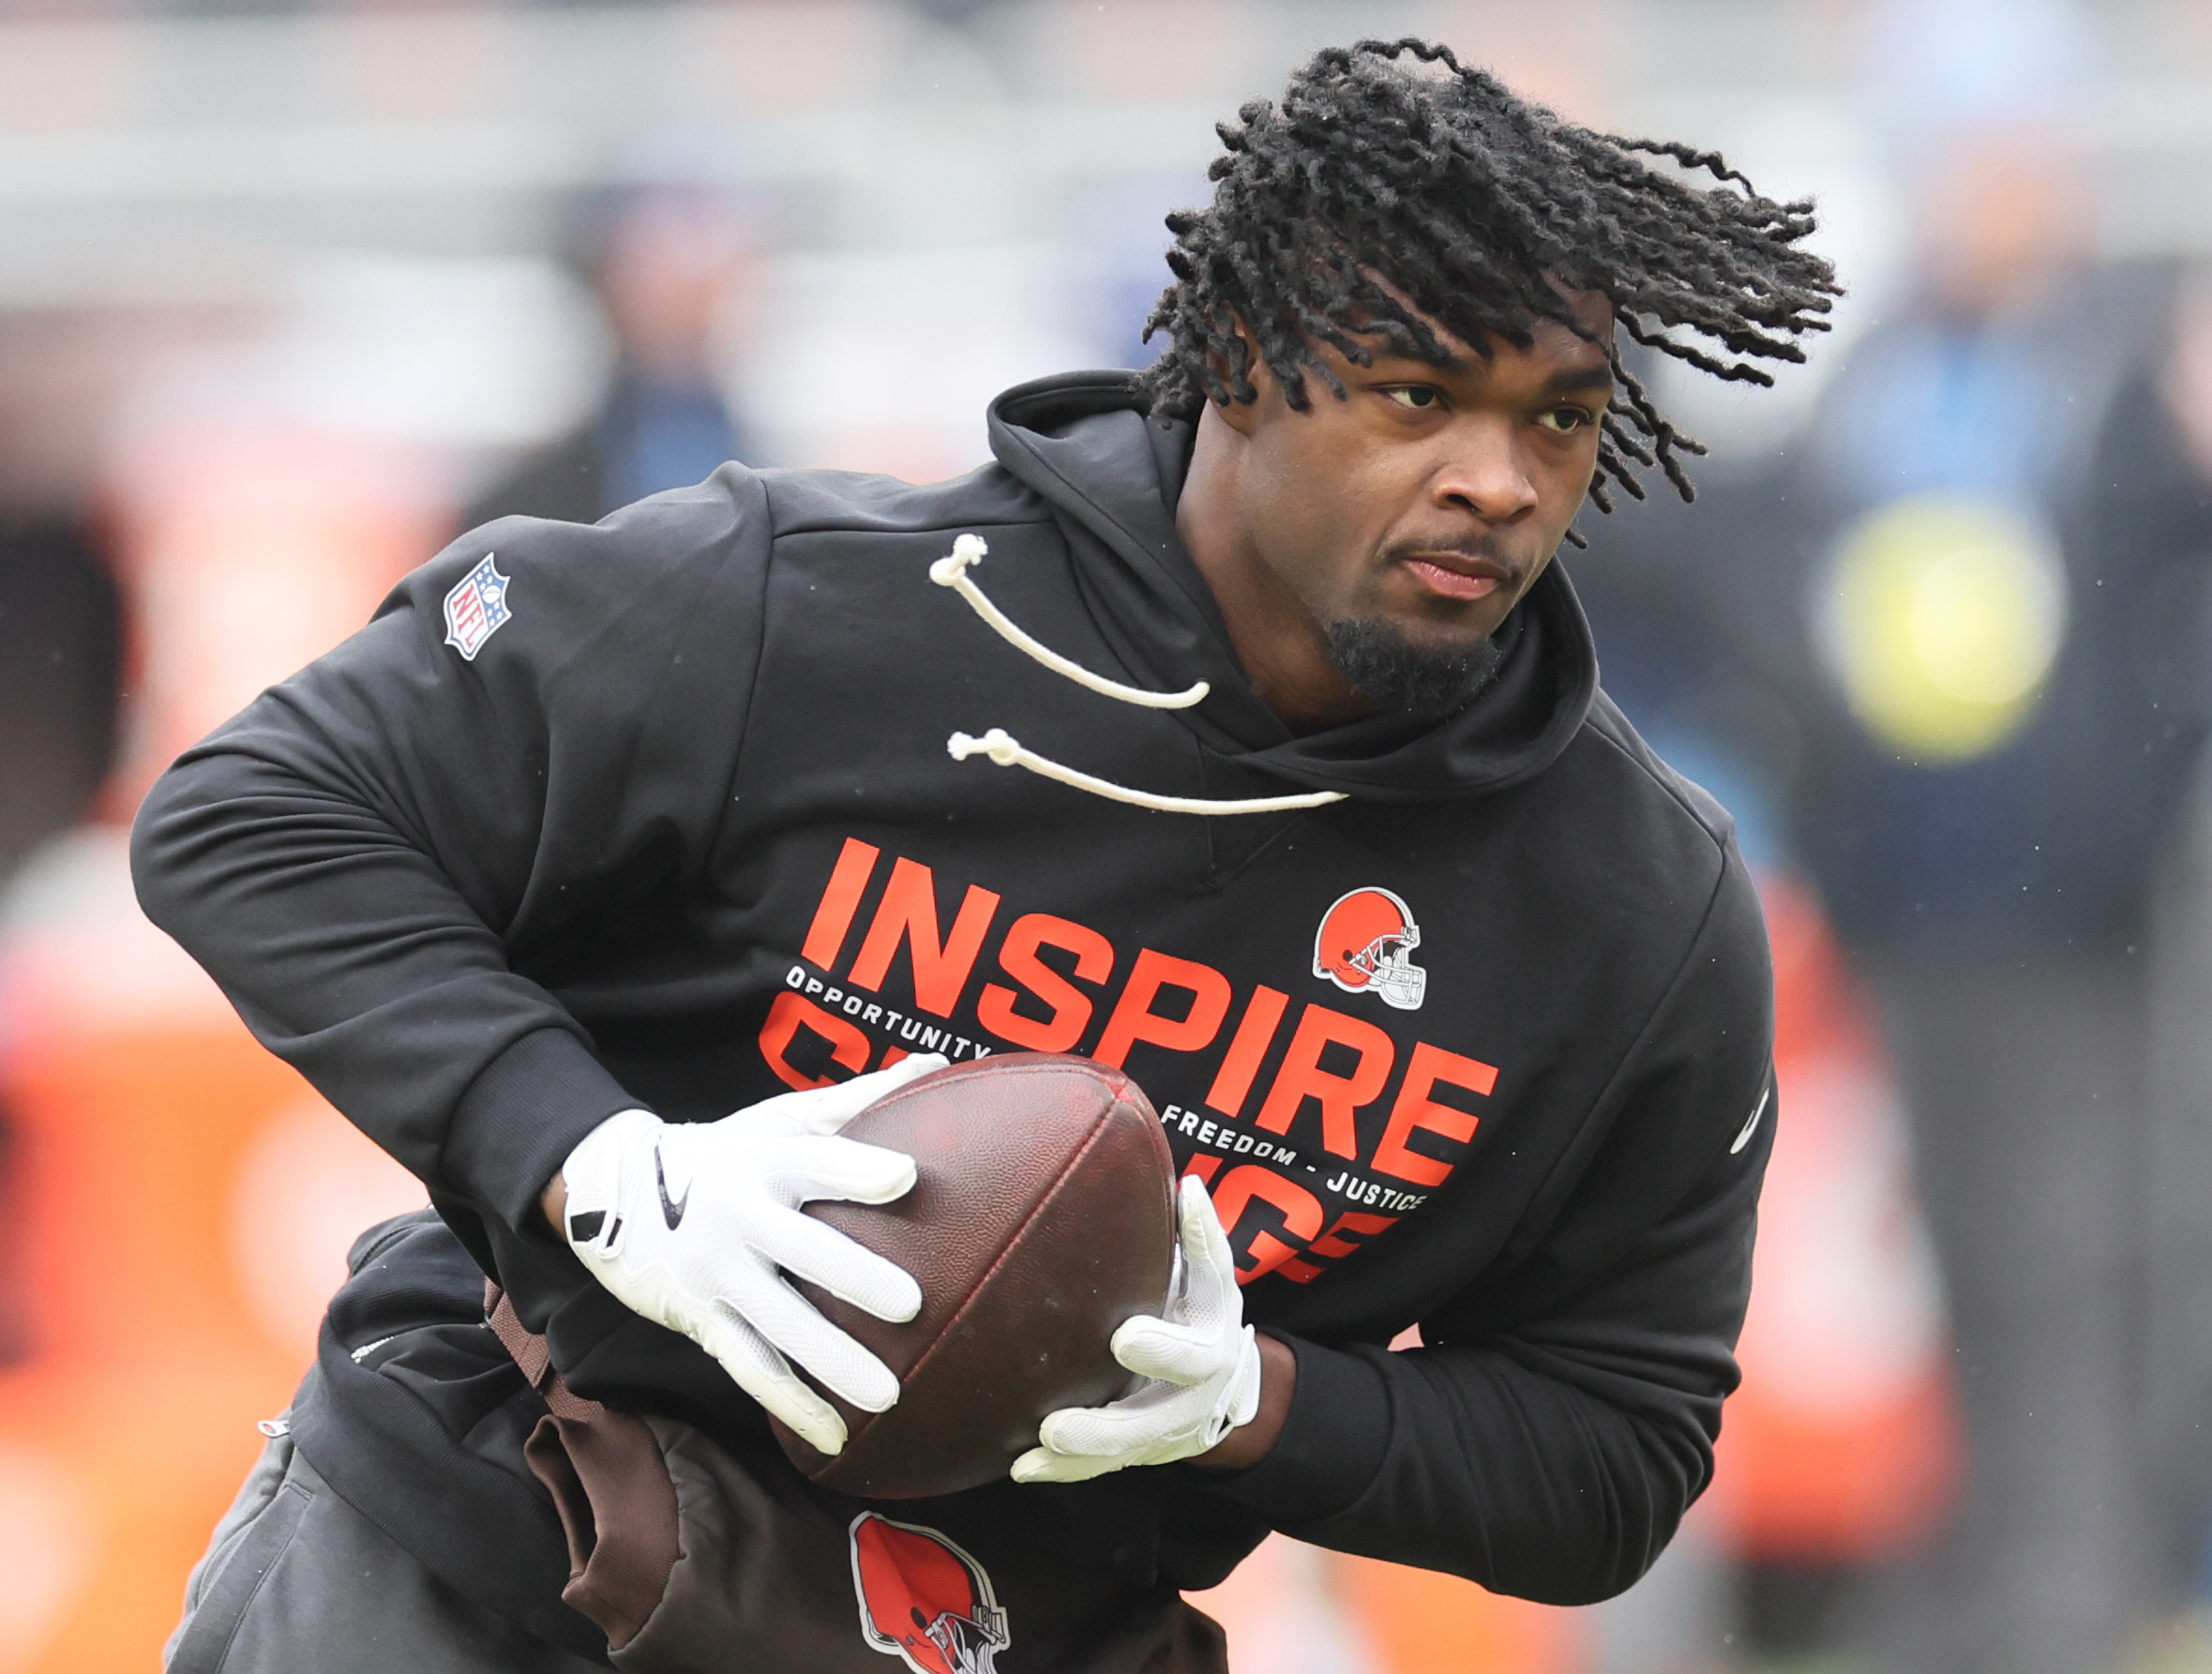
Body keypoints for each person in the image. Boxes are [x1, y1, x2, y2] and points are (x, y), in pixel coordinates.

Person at [134, 39, 1834, 1673]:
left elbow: (1614, 1450)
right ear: (1235, 349)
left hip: (1000, 1630)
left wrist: (1262, 1403)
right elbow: (258, 808)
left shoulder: (1637, 910)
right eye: (1416, 396)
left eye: (1557, 420)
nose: (1497, 480)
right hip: (486, 1554)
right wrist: (599, 1161)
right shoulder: (805, 604)